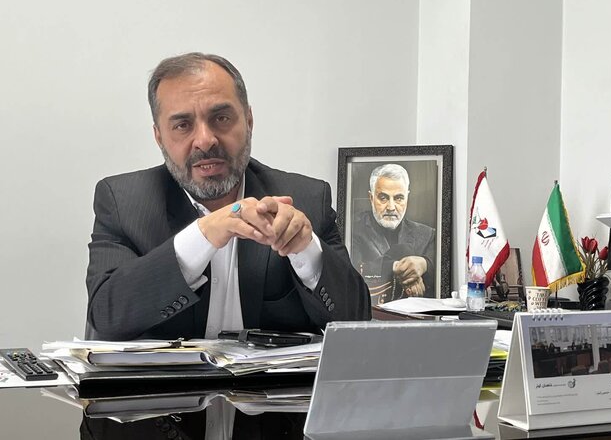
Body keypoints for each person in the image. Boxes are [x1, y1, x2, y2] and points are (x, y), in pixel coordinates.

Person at [85, 52, 371, 340]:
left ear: (248, 120)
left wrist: (306, 250)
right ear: (159, 137)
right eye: (183, 125)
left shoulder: (306, 199)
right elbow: (107, 316)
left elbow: (357, 321)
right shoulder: (124, 202)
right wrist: (203, 235)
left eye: (221, 118)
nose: (205, 140)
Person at [351, 164, 435, 305]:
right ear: (371, 198)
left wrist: (425, 264)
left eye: (398, 198)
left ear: (407, 198)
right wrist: (397, 267)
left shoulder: (427, 235)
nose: (391, 207)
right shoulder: (352, 229)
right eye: (383, 198)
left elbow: (442, 273)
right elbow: (352, 271)